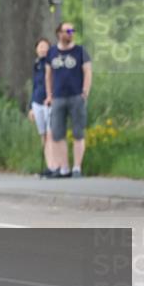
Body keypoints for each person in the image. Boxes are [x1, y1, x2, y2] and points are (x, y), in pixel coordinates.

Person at [45, 22, 92, 178]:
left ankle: (77, 168)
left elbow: (88, 72)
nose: (71, 33)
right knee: (58, 134)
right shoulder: (51, 53)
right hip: (58, 98)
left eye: (72, 30)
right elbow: (48, 75)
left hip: (76, 97)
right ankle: (64, 168)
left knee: (78, 132)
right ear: (59, 33)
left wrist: (85, 92)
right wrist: (49, 95)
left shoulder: (80, 51)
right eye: (67, 30)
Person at [28, 38, 57, 177]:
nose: (43, 49)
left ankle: (54, 166)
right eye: (40, 47)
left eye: (45, 47)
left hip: (49, 102)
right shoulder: (36, 64)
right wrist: (31, 107)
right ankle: (48, 166)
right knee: (43, 136)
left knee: (51, 134)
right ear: (36, 49)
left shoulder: (52, 63)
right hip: (37, 102)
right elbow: (34, 86)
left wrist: (52, 96)